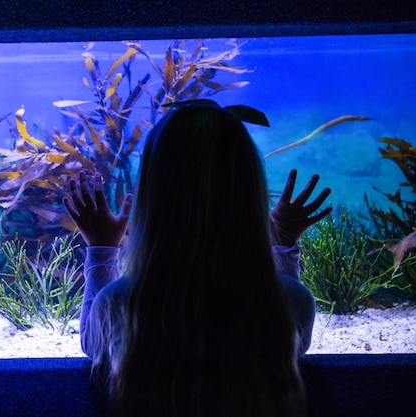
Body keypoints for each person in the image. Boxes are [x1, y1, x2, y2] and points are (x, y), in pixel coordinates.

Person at [63, 101, 332, 417]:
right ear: (251, 191)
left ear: (152, 197)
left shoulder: (120, 302)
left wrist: (101, 249)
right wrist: (284, 246)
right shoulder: (291, 300)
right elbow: (289, 342)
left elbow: (92, 345)